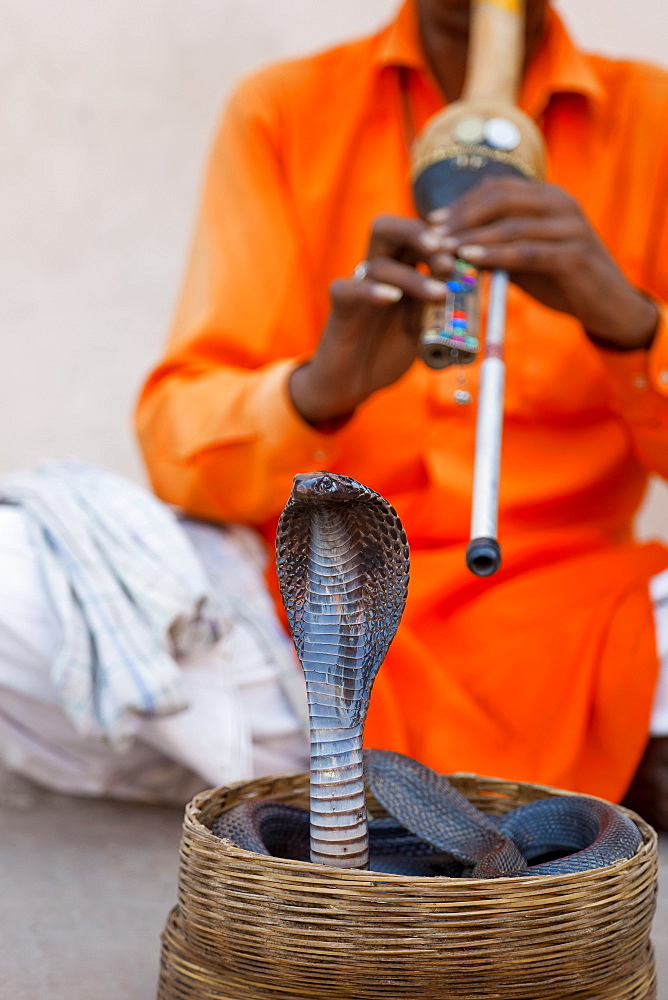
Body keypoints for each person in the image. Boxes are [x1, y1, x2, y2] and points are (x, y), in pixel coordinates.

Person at [136, 0, 668, 825]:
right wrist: (320, 388)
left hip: (578, 618)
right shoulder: (285, 109)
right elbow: (179, 446)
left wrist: (629, 322)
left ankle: (333, 786)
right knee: (26, 570)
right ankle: (581, 776)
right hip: (313, 613)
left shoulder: (651, 120)